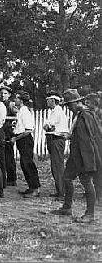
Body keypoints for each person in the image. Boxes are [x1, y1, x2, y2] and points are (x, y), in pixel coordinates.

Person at [51, 89, 102, 223]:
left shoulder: (86, 115)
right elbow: (80, 135)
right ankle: (67, 208)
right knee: (66, 178)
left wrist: (88, 161)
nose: (69, 108)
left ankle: (90, 214)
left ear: (76, 102)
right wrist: (70, 136)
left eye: (69, 105)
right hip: (76, 156)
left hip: (85, 156)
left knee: (86, 181)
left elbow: (90, 139)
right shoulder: (79, 115)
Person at [10, 91, 40, 198]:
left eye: (17, 98)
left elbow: (28, 130)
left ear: (21, 101)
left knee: (28, 164)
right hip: (21, 140)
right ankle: (31, 187)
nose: (15, 100)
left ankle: (35, 188)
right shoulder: (20, 111)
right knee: (24, 164)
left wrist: (15, 138)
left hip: (25, 140)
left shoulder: (25, 111)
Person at [43, 92, 70, 199]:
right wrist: (47, 126)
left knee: (57, 166)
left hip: (57, 139)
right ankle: (59, 190)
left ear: (53, 101)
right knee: (55, 166)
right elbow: (46, 126)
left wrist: (48, 126)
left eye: (48, 100)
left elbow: (49, 126)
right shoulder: (54, 111)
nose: (47, 102)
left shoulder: (58, 112)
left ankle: (62, 192)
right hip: (53, 139)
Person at [0, 84, 17, 187]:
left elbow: (17, 116)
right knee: (2, 157)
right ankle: (3, 178)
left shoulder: (10, 105)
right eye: (1, 93)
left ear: (9, 95)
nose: (3, 95)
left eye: (5, 93)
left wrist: (11, 125)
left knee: (9, 156)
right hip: (1, 131)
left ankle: (12, 178)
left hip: (8, 132)